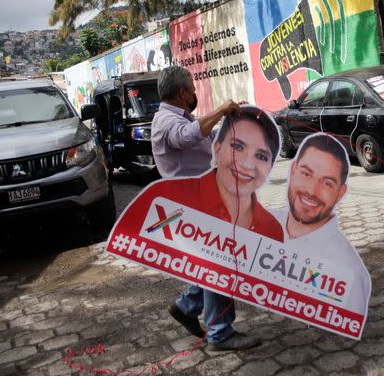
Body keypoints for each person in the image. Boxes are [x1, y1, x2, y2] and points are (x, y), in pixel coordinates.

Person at [150, 65, 268, 351]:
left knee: (213, 262)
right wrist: (220, 110)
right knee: (220, 263)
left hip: (202, 199)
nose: (193, 94)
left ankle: (187, 306)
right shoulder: (167, 121)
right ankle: (219, 333)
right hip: (192, 204)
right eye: (191, 89)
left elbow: (204, 136)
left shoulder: (180, 117)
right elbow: (186, 136)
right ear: (181, 92)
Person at [270, 133, 371, 315]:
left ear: (341, 193)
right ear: (292, 171)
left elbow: (347, 321)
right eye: (306, 173)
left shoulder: (349, 273)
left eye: (327, 183)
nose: (311, 190)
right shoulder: (257, 226)